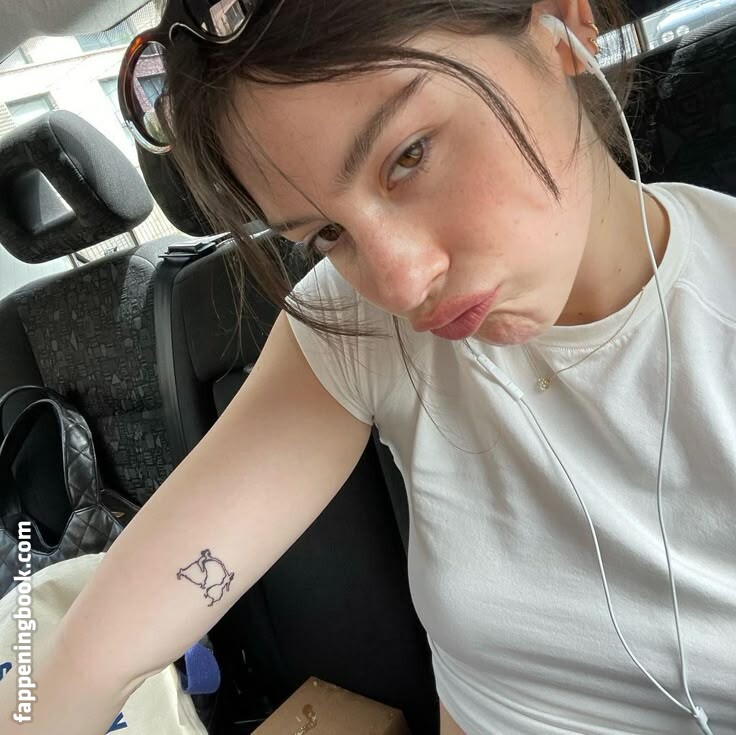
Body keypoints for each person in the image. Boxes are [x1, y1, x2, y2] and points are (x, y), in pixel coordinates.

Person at [2, 0, 736, 733]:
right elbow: (90, 655)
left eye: (409, 155)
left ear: (563, 27)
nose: (402, 284)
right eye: (327, 234)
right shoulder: (356, 324)